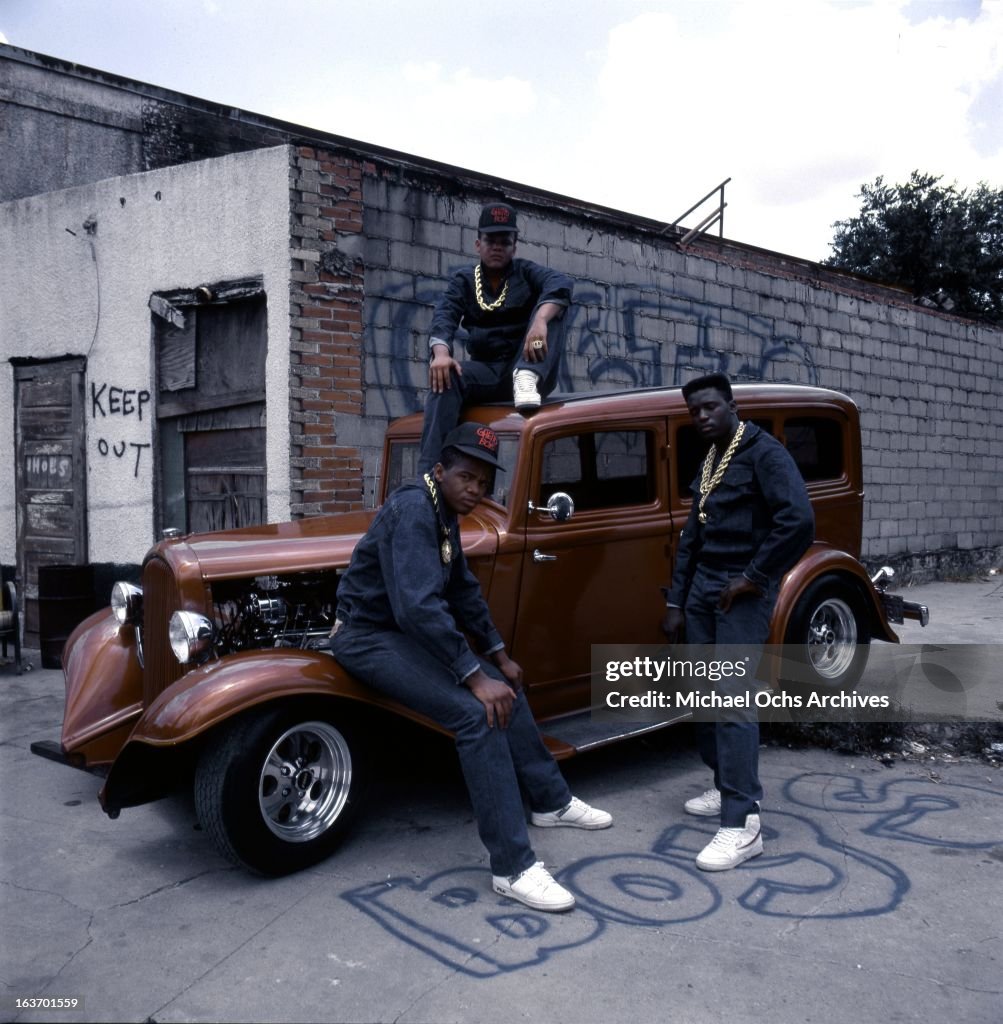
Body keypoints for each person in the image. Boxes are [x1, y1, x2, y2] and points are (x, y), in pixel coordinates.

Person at [330, 421, 612, 911]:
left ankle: (551, 801)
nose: (476, 491)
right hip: (367, 638)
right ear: (440, 471)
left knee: (505, 684)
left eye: (484, 483)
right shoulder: (415, 509)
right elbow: (417, 608)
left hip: (402, 634)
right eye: (467, 478)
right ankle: (513, 868)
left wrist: (499, 657)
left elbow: (460, 588)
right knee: (477, 715)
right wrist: (473, 675)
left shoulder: (443, 510)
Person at [662, 373, 814, 871]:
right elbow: (693, 535)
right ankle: (724, 781)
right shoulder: (710, 458)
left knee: (731, 698)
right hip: (706, 586)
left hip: (741, 591)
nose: (702, 417)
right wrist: (677, 603)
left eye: (709, 408)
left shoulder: (765, 453)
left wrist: (753, 577)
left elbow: (799, 521)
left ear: (731, 405)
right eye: (694, 411)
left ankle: (743, 823)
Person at [418, 202, 573, 472]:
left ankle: (526, 376)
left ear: (515, 246)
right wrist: (441, 354)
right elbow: (444, 316)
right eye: (491, 240)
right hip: (487, 373)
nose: (497, 247)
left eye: (505, 241)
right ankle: (430, 476)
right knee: (446, 377)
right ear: (478, 244)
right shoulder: (464, 281)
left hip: (529, 371)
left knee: (554, 308)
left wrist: (540, 320)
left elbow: (561, 283)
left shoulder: (526, 272)